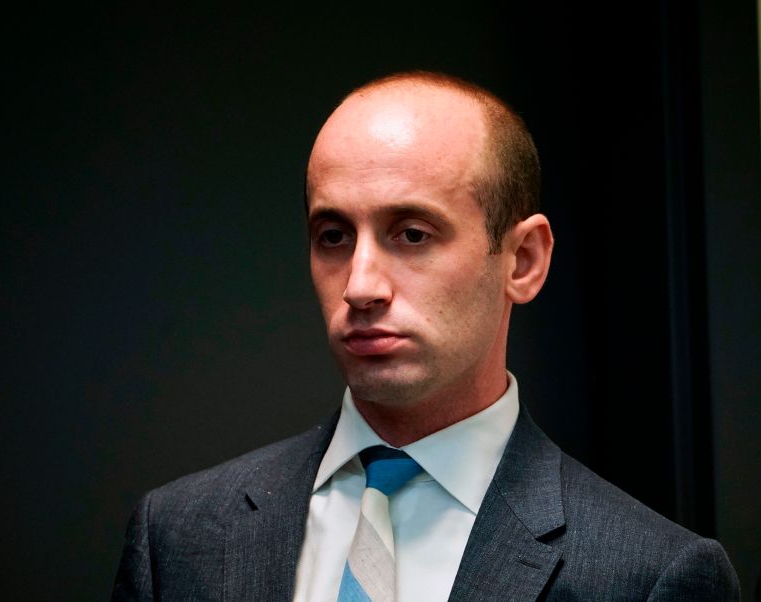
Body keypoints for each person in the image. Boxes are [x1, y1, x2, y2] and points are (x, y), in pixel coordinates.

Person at [111, 71, 740, 601]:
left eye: (411, 234)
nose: (360, 285)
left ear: (522, 261)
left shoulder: (648, 577)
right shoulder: (178, 537)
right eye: (333, 236)